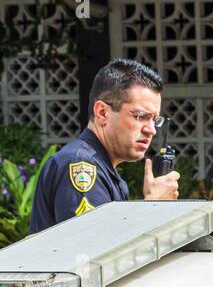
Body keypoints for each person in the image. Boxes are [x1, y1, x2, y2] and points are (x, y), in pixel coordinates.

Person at [28, 58, 179, 234]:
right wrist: (151, 208)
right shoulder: (81, 166)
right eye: (140, 116)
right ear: (102, 113)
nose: (151, 130)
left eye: (154, 120)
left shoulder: (104, 168)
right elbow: (92, 250)